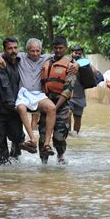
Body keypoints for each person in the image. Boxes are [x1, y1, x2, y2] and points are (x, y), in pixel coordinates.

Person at [0, 37, 27, 164]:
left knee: (18, 138)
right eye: (10, 48)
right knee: (0, 146)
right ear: (4, 50)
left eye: (15, 48)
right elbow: (5, 88)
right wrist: (19, 109)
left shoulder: (20, 62)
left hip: (13, 109)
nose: (13, 51)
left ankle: (15, 168)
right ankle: (4, 176)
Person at [40, 36, 77, 164]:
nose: (58, 50)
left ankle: (60, 155)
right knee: (43, 134)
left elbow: (67, 90)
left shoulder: (71, 66)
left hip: (62, 105)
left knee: (59, 136)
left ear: (65, 48)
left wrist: (55, 108)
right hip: (46, 102)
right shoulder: (45, 61)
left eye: (60, 48)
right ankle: (43, 161)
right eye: (55, 48)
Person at [69, 44, 98, 136]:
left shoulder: (85, 64)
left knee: (78, 117)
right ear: (71, 53)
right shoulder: (67, 62)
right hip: (69, 95)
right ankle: (67, 134)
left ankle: (75, 135)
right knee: (67, 114)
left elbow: (96, 73)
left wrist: (86, 67)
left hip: (80, 95)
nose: (77, 55)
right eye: (75, 53)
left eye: (79, 54)